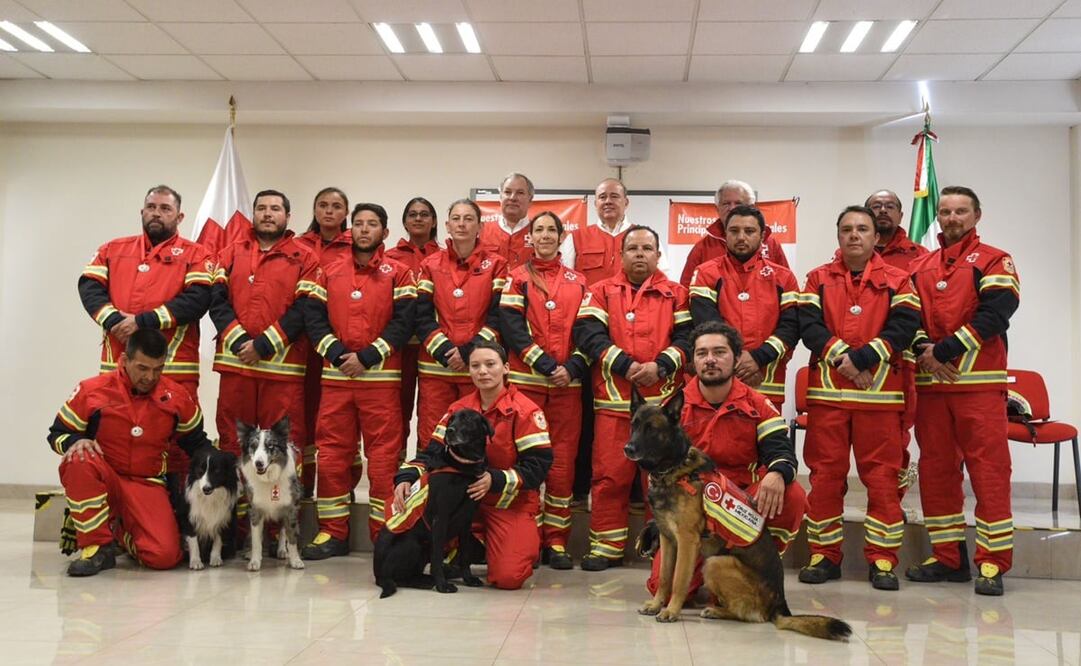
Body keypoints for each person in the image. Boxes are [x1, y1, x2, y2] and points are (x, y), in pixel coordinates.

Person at [796, 205, 921, 591]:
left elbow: (904, 328)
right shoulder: (816, 278)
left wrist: (863, 359)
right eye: (847, 229)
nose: (854, 235)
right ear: (838, 236)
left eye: (862, 229)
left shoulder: (900, 280)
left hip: (880, 401)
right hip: (829, 399)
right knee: (825, 479)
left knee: (883, 481)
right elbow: (808, 327)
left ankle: (882, 560)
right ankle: (823, 556)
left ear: (875, 236)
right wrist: (843, 359)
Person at [905, 186, 1020, 596]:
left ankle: (992, 563)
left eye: (961, 211)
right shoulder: (922, 264)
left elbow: (997, 312)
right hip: (932, 388)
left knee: (989, 473)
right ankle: (948, 558)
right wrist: (924, 349)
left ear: (977, 215)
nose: (952, 218)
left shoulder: (994, 259)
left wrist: (946, 350)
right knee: (936, 474)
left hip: (980, 388)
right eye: (946, 211)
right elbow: (909, 315)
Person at [645, 321, 807, 595]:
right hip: (690, 510)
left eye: (719, 352)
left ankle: (758, 570)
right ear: (693, 361)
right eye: (702, 353)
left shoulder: (757, 404)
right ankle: (708, 572)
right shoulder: (674, 407)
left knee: (792, 493)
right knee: (664, 591)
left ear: (736, 358)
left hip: (739, 505)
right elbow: (655, 467)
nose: (710, 360)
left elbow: (781, 450)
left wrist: (777, 473)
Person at [573, 225, 692, 570]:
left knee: (663, 480)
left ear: (657, 255)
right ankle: (606, 547)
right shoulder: (600, 291)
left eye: (647, 248)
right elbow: (588, 334)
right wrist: (625, 365)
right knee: (610, 476)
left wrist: (662, 365)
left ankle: (663, 549)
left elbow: (687, 337)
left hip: (661, 409)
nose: (640, 254)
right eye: (633, 248)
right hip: (614, 402)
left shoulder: (676, 293)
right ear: (621, 254)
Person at [48, 329, 214, 576]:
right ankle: (96, 548)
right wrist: (74, 441)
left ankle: (118, 532)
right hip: (106, 477)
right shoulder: (92, 391)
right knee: (78, 458)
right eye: (143, 368)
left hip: (147, 484)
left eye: (158, 369)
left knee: (165, 557)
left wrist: (224, 464)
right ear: (124, 361)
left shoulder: (177, 397)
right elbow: (57, 433)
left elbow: (197, 443)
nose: (150, 377)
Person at [301, 203, 416, 558]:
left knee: (382, 462)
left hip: (381, 382)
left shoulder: (399, 273)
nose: (365, 230)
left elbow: (404, 322)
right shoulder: (327, 271)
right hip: (336, 382)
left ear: (384, 232)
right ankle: (332, 534)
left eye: (373, 225)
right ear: (352, 230)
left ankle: (384, 533)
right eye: (360, 224)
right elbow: (313, 319)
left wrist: (367, 356)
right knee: (332, 457)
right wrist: (337, 354)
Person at [392, 340, 553, 590]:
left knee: (509, 577)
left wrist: (494, 479)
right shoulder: (459, 409)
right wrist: (405, 478)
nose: (483, 371)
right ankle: (463, 549)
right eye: (475, 365)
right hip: (462, 502)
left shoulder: (525, 411)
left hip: (506, 503)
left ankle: (497, 545)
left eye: (490, 364)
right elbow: (433, 453)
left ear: (506, 368)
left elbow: (539, 466)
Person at [78, 185, 212, 475]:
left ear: (180, 216)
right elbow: (89, 287)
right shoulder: (113, 249)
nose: (157, 213)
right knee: (114, 441)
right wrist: (115, 321)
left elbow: (197, 299)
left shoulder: (197, 254)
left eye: (165, 209)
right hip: (118, 371)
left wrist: (141, 322)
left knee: (177, 450)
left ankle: (173, 516)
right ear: (142, 211)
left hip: (175, 372)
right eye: (151, 207)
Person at [499, 211, 589, 569]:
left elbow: (588, 330)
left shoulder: (580, 282)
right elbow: (512, 329)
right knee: (526, 464)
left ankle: (557, 542)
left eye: (552, 230)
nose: (546, 236)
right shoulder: (516, 278)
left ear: (562, 236)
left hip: (568, 390)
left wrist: (573, 367)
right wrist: (548, 365)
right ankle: (530, 539)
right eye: (539, 230)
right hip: (526, 389)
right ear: (530, 237)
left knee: (563, 468)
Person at [209, 189, 318, 464]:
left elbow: (304, 309)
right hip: (237, 366)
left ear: (288, 216)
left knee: (284, 445)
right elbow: (216, 299)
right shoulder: (229, 253)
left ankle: (279, 507)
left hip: (283, 371)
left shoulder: (305, 258)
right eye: (261, 208)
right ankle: (237, 504)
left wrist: (263, 345)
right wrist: (239, 341)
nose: (268, 214)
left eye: (275, 209)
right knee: (232, 439)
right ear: (253, 214)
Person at [414, 198, 508, 451]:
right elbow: (421, 316)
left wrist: (468, 353)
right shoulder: (429, 265)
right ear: (447, 225)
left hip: (476, 369)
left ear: (480, 227)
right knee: (431, 435)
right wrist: (447, 353)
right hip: (435, 368)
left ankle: (473, 490)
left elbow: (498, 316)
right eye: (456, 218)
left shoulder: (497, 265)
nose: (462, 224)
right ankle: (432, 489)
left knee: (477, 436)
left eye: (469, 219)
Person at [688, 205, 799, 406]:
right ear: (725, 234)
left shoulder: (784, 277)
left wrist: (758, 358)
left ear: (762, 235)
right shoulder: (706, 273)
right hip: (720, 384)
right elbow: (706, 323)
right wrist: (737, 362)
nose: (741, 237)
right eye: (734, 231)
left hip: (767, 383)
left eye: (749, 231)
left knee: (766, 437)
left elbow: (790, 328)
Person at [866, 188, 929, 500]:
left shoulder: (920, 257)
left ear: (902, 215)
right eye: (876, 206)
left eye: (890, 206)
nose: (883, 211)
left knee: (896, 436)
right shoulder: (852, 255)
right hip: (860, 364)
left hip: (903, 360)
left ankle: (894, 501)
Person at [295, 187, 352, 493]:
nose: (329, 211)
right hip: (299, 345)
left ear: (346, 213)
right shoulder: (296, 246)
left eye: (336, 206)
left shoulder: (356, 246)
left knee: (335, 423)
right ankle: (302, 487)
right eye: (323, 205)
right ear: (314, 210)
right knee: (302, 417)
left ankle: (338, 486)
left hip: (338, 345)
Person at [386, 197, 441, 456]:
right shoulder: (388, 258)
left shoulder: (444, 257)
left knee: (432, 413)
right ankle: (396, 471)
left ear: (434, 221)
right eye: (412, 214)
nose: (418, 218)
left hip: (434, 350)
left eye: (424, 214)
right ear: (405, 221)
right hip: (399, 349)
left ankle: (425, 471)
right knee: (398, 409)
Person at [680, 179, 789, 287]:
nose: (732, 208)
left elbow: (785, 283)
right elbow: (686, 289)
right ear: (717, 208)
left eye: (738, 203)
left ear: (752, 207)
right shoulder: (702, 247)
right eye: (726, 203)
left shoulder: (772, 244)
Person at [479, 172, 535, 269]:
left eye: (520, 193)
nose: (512, 198)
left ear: (530, 200)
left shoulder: (538, 232)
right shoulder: (482, 230)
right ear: (500, 197)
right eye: (507, 192)